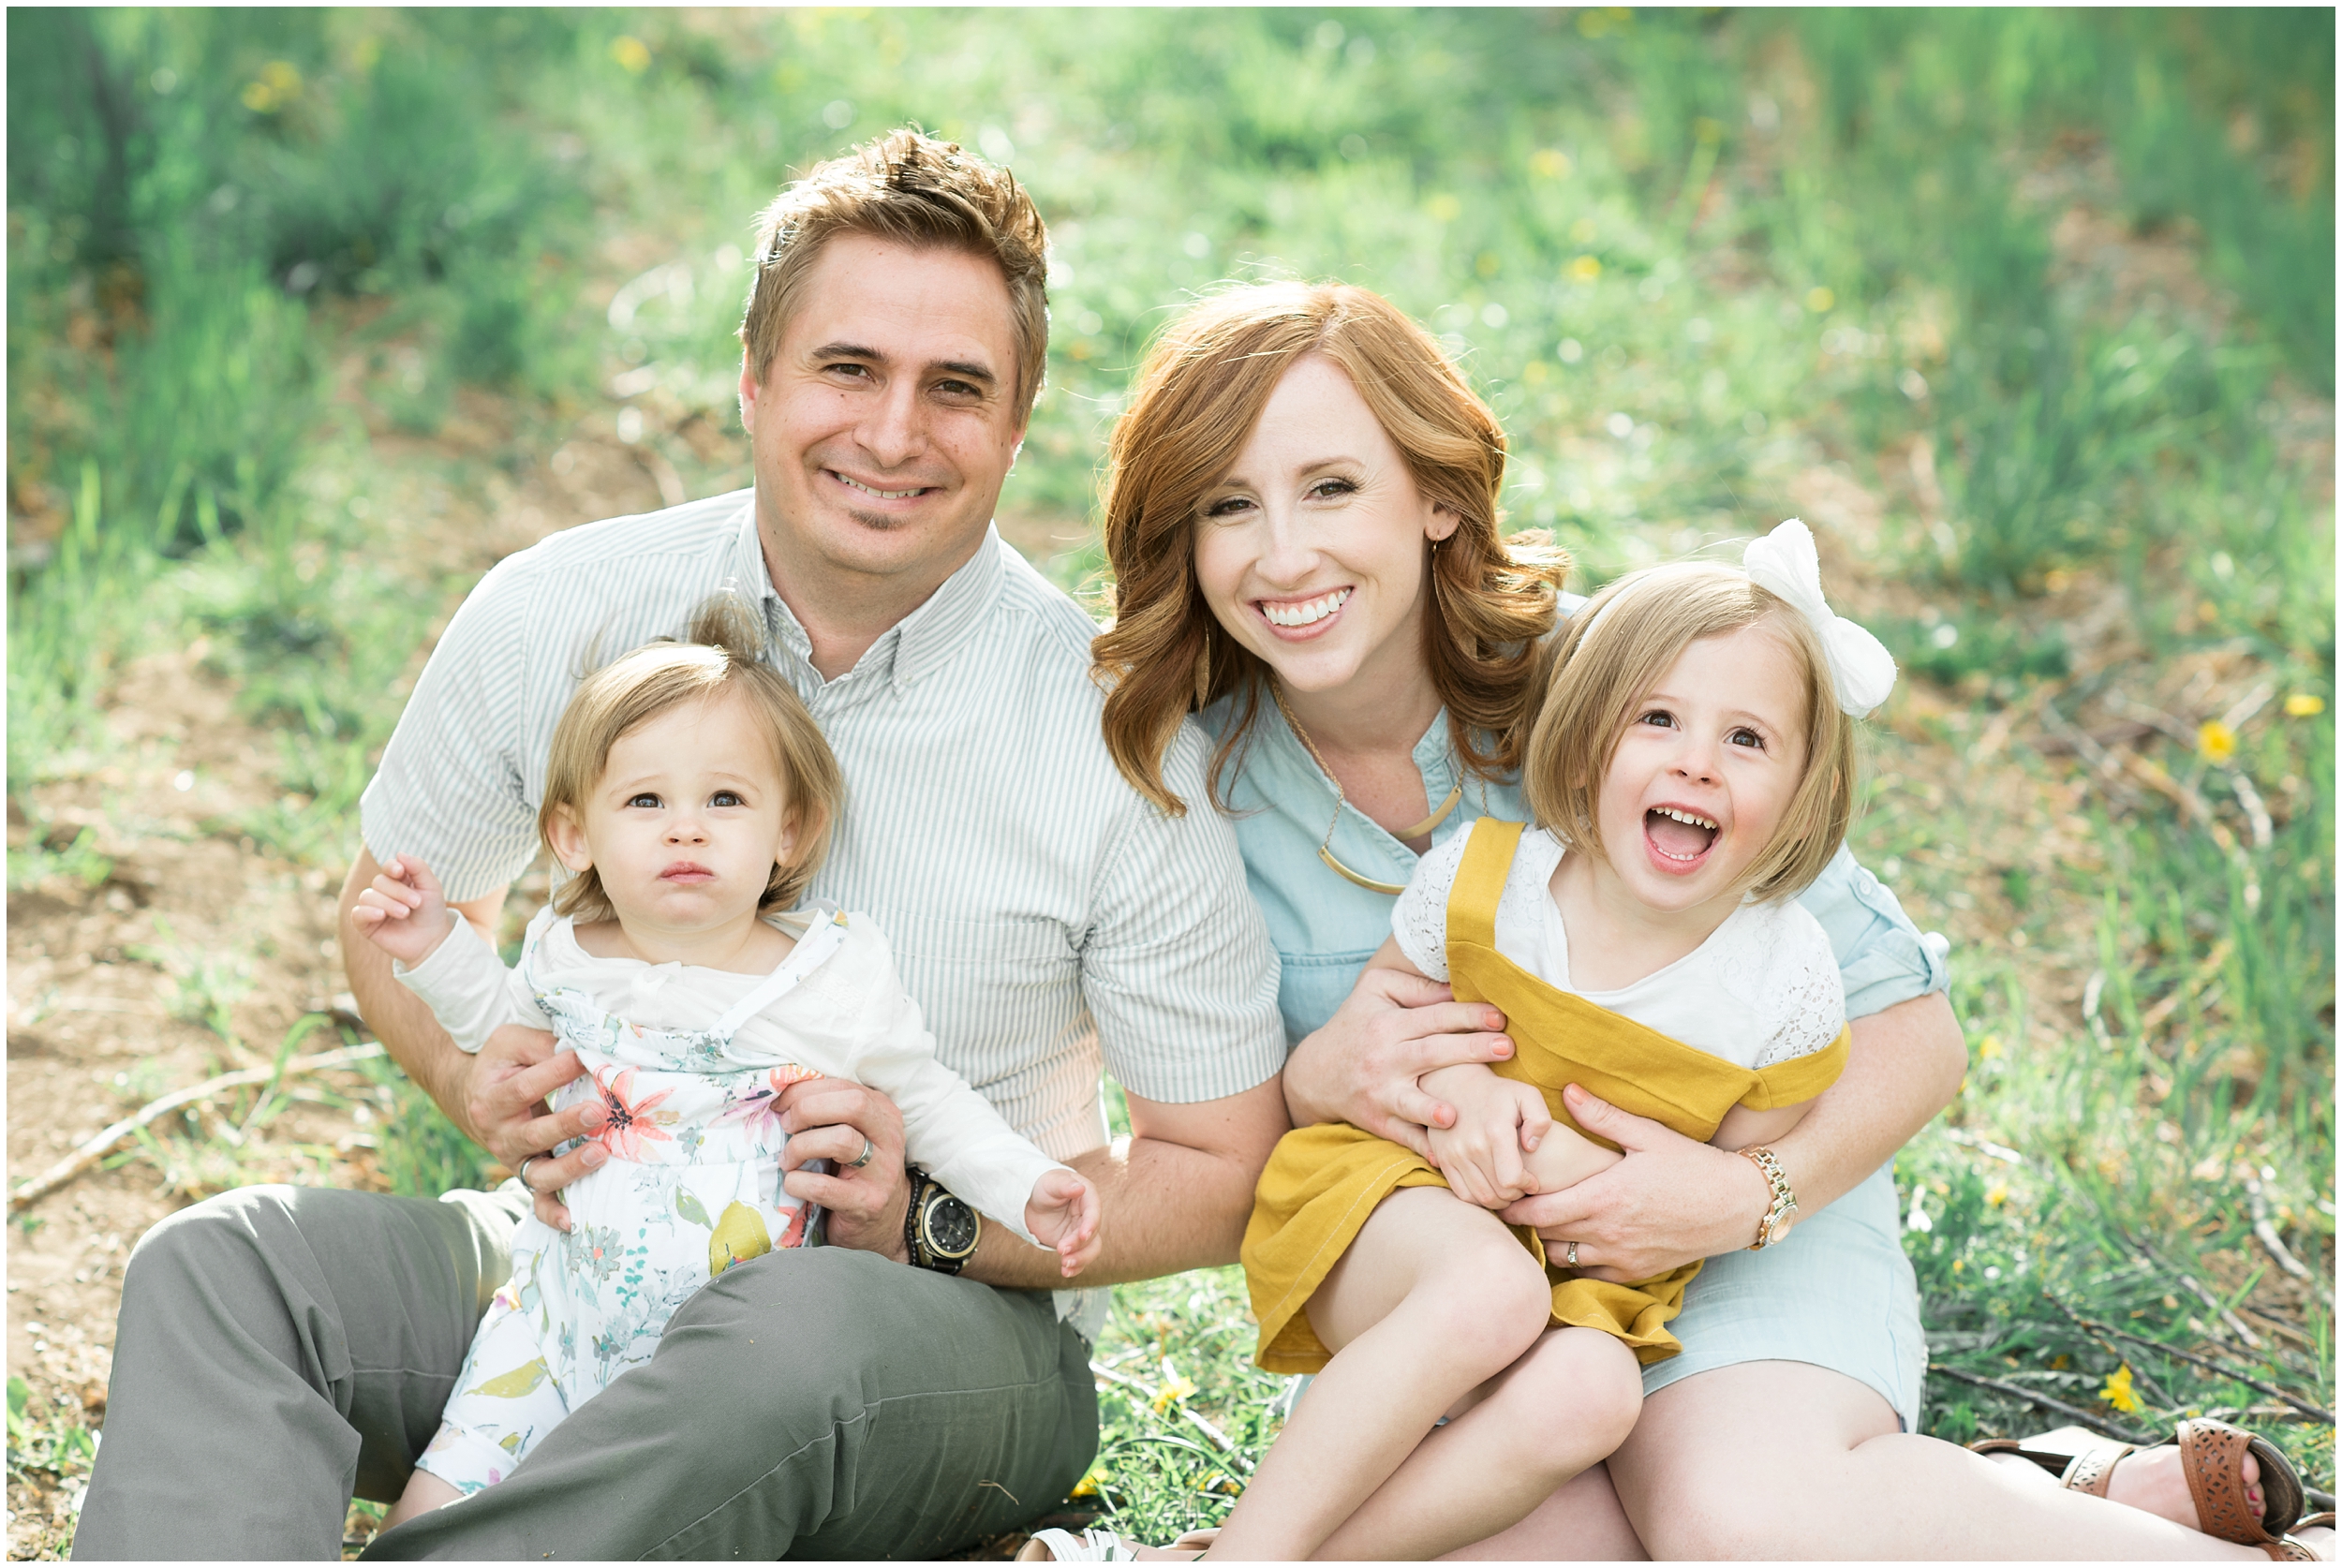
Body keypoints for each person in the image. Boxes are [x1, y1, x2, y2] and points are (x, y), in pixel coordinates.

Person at [72, 128, 1291, 1561]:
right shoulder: (562, 606)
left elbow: (1222, 1163)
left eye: (955, 388)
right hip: (587, 1259)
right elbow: (400, 907)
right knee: (231, 1269)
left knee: (781, 1322)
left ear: (1018, 421)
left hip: (948, 1342)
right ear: (754, 374)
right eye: (848, 368)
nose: (894, 434)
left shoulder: (1116, 734)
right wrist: (479, 1075)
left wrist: (930, 1226)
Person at [1063, 280, 2328, 1561]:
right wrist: (1326, 1073)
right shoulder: (1179, 782)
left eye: (1332, 487)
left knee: (1739, 1520)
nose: (1283, 554)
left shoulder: (1639, 689)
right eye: (1229, 503)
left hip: (1733, 1229)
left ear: (1438, 494)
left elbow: (1917, 1033)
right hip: (1448, 1284)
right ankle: (1987, 1494)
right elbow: (1216, 1153)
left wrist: (1740, 1192)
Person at [1043, 529, 1887, 1563]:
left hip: (1585, 1279)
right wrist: (1462, 1095)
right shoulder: (1491, 883)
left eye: (1747, 741)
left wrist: (1636, 1181)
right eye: (1657, 721)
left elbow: (1720, 1180)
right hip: (1398, 1195)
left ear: (1805, 786)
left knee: (1594, 1392)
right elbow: (1376, 1031)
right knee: (1488, 1291)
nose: (1696, 763)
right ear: (1586, 738)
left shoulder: (1783, 979)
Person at [351, 598, 1101, 1524]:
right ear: (574, 835)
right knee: (433, 1508)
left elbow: (930, 1102)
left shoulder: (825, 975)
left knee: (632, 1521)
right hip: (551, 1321)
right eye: (645, 801)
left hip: (722, 1375)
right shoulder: (567, 951)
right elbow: (502, 1032)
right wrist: (432, 946)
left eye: (725, 799)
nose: (686, 828)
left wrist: (1025, 1184)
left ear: (788, 830)